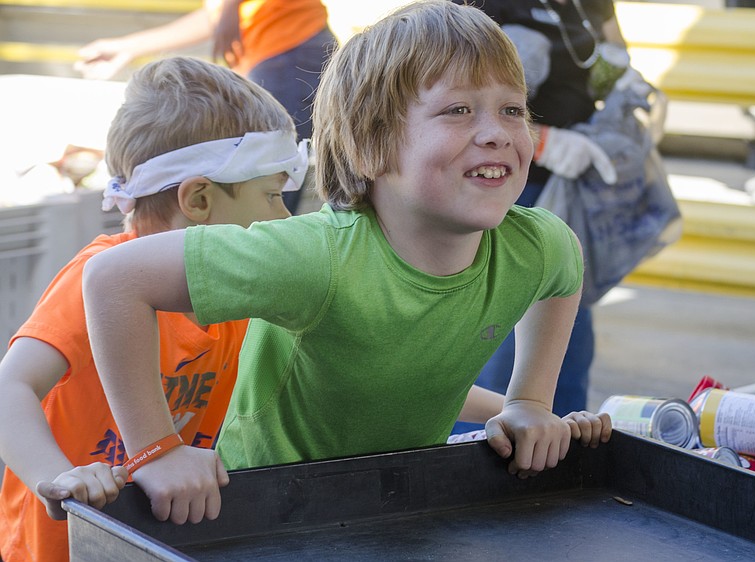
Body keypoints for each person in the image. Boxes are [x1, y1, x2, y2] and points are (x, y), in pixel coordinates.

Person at [81, 0, 587, 526]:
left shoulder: (536, 244)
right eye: (458, 110)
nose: (497, 132)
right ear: (370, 147)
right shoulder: (317, 257)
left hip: (399, 511)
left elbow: (563, 269)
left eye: (512, 109)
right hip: (265, 519)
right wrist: (157, 452)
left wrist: (529, 399)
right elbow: (113, 278)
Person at [0, 56, 307, 562]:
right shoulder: (96, 279)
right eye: (273, 196)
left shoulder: (240, 289)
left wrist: (487, 407)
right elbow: (12, 388)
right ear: (200, 200)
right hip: (61, 547)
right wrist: (57, 479)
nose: (283, 217)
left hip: (161, 541)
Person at [451, 0, 633, 432]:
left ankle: (559, 448)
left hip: (569, 190)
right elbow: (449, 106)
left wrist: (626, 88)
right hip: (507, 185)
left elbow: (613, 44)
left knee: (568, 341)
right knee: (500, 351)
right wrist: (545, 141)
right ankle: (479, 454)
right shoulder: (481, 7)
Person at [75, 0, 338, 214]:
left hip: (290, 49)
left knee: (268, 187)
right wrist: (128, 47)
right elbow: (214, 16)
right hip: (275, 54)